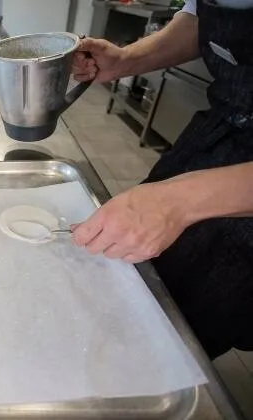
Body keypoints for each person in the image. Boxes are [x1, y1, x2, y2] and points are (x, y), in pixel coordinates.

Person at [71, 0, 253, 359]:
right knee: (142, 280)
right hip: (223, 130)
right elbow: (202, 20)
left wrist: (179, 201)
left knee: (181, 332)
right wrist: (127, 60)